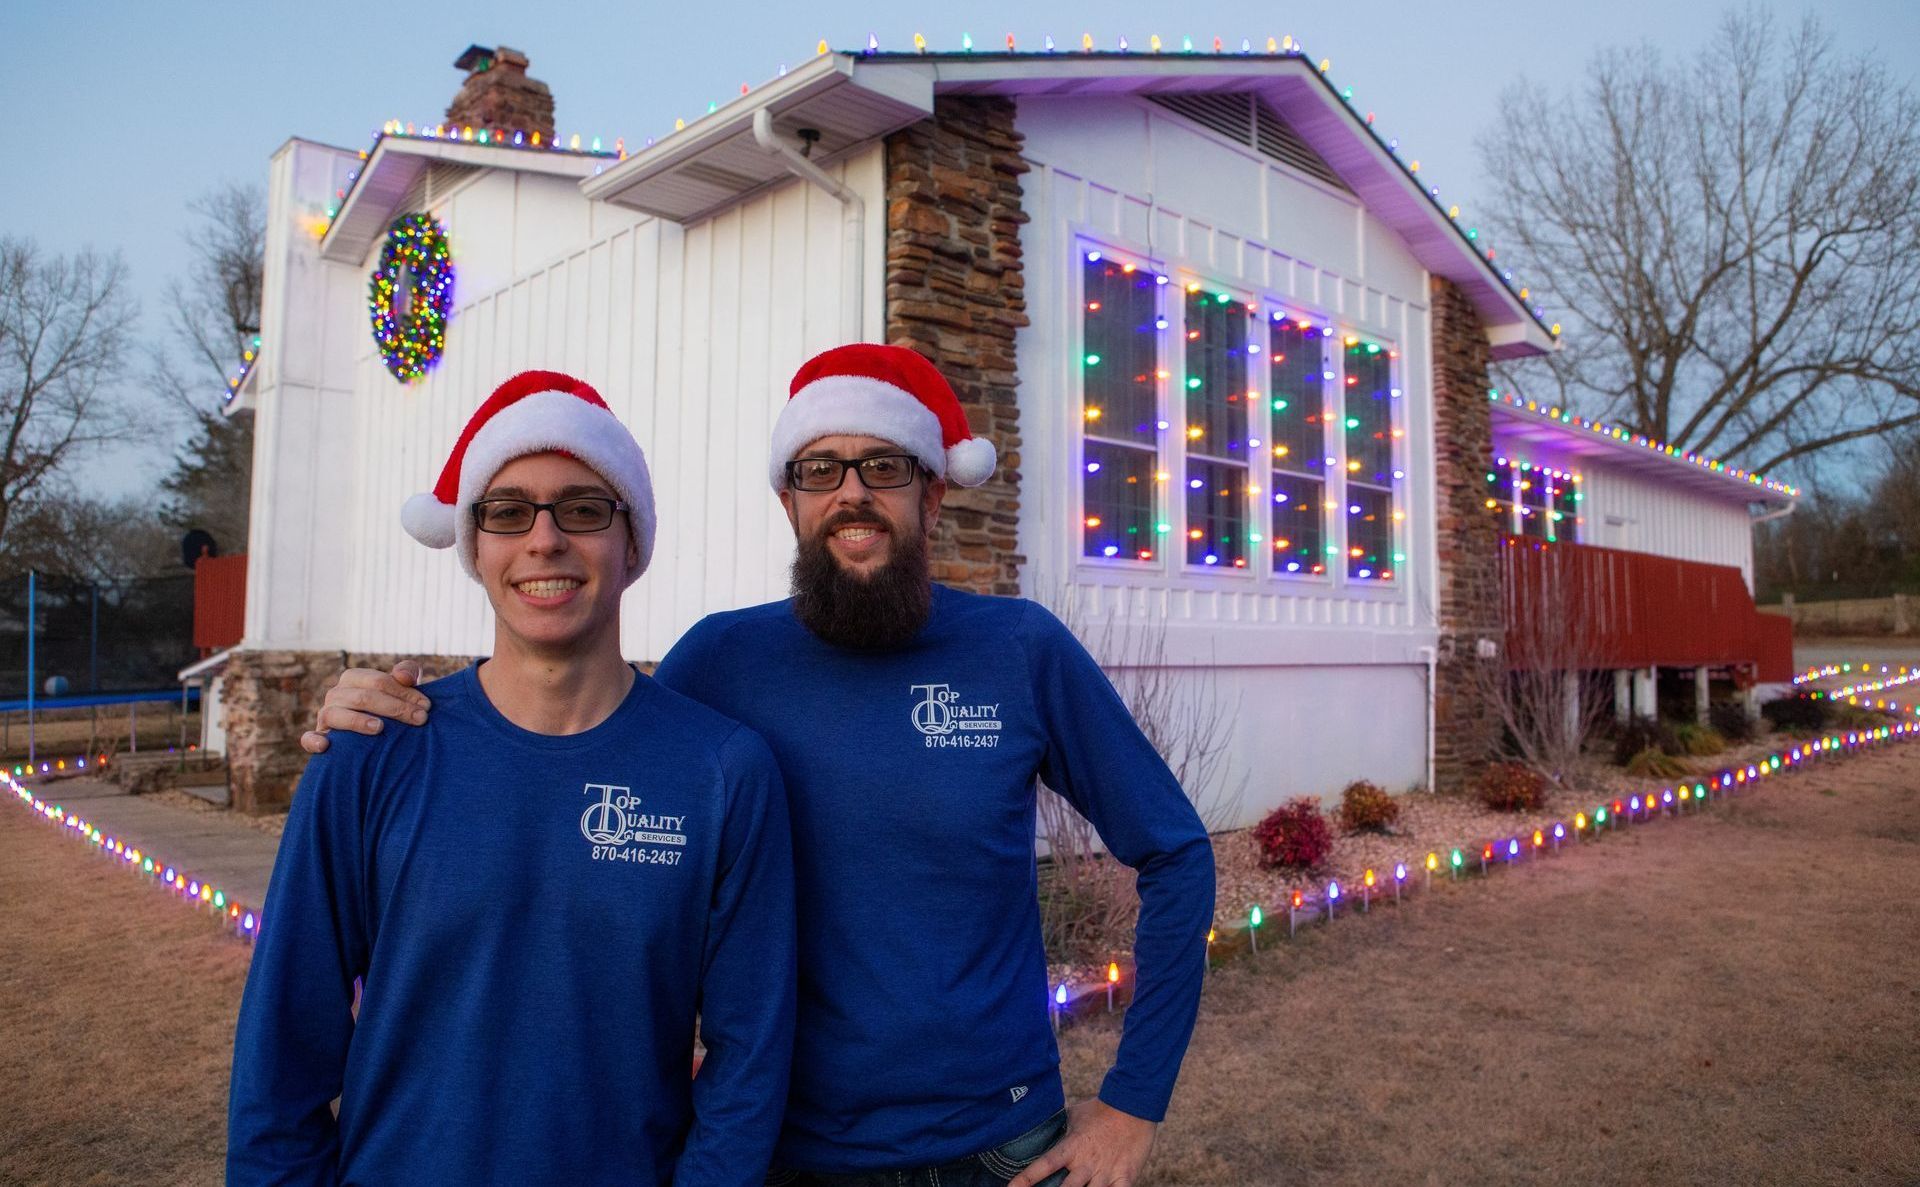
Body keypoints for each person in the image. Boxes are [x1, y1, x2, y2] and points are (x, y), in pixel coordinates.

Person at [308, 345, 1216, 1186]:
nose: (851, 493)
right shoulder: (720, 664)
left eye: (884, 466)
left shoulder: (1019, 650)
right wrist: (369, 712)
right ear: (789, 500)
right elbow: (576, 739)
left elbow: (1177, 851)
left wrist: (1135, 1101)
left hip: (999, 1144)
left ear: (933, 493)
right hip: (782, 1149)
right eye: (820, 470)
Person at [232, 371, 796, 1186]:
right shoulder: (372, 752)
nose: (544, 539)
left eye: (583, 507)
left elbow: (749, 1063)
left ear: (630, 541)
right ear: (475, 544)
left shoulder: (723, 772)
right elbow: (281, 1061)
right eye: (508, 511)